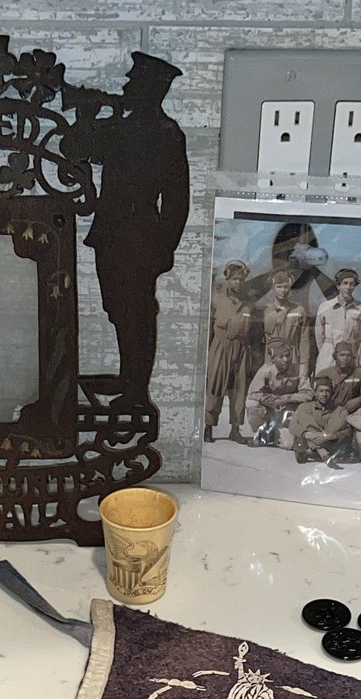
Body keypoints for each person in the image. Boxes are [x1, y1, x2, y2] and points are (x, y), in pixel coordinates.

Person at [64, 53, 188, 404]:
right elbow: (75, 150)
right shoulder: (125, 129)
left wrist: (165, 247)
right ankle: (129, 379)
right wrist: (85, 117)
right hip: (118, 235)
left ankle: (136, 388)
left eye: (134, 82)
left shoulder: (162, 134)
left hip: (137, 239)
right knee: (120, 309)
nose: (126, 87)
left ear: (149, 89)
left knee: (137, 312)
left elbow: (177, 201)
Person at [204, 261, 256, 442]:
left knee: (239, 389)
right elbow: (208, 328)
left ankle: (235, 429)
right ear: (227, 279)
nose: (238, 283)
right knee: (215, 386)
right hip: (220, 347)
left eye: (241, 280)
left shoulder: (249, 304)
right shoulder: (217, 300)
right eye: (234, 279)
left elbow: (254, 333)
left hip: (240, 349)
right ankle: (208, 426)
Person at [242, 338, 308, 444]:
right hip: (271, 409)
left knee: (288, 443)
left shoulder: (299, 369)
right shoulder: (265, 371)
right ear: (273, 359)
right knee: (252, 403)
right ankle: (263, 432)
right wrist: (275, 401)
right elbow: (253, 393)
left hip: (289, 410)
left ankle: (280, 433)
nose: (285, 359)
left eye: (288, 355)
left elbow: (308, 394)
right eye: (281, 357)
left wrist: (287, 398)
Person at [253, 267, 313, 374]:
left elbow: (304, 341)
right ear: (273, 288)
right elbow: (257, 341)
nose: (282, 291)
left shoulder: (298, 310)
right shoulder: (265, 312)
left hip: (291, 357)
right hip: (271, 356)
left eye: (285, 287)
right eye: (279, 287)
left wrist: (304, 364)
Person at [285, 375, 353, 464]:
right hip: (308, 440)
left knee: (340, 421)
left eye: (327, 391)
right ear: (315, 393)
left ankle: (310, 452)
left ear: (332, 393)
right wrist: (307, 434)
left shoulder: (340, 410)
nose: (324, 394)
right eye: (321, 391)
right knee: (304, 416)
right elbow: (292, 426)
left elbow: (347, 431)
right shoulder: (305, 407)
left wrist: (327, 437)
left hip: (330, 442)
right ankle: (320, 451)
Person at [312, 268, 361, 373]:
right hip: (328, 356)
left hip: (350, 356)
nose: (348, 287)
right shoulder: (325, 307)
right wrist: (326, 351)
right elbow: (319, 336)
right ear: (338, 286)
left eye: (352, 284)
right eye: (345, 283)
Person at [310, 338, 361, 413]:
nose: (345, 358)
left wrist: (360, 399)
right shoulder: (324, 374)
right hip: (329, 412)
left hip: (351, 412)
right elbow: (314, 396)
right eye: (342, 355)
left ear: (352, 357)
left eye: (348, 355)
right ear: (335, 356)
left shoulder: (360, 374)